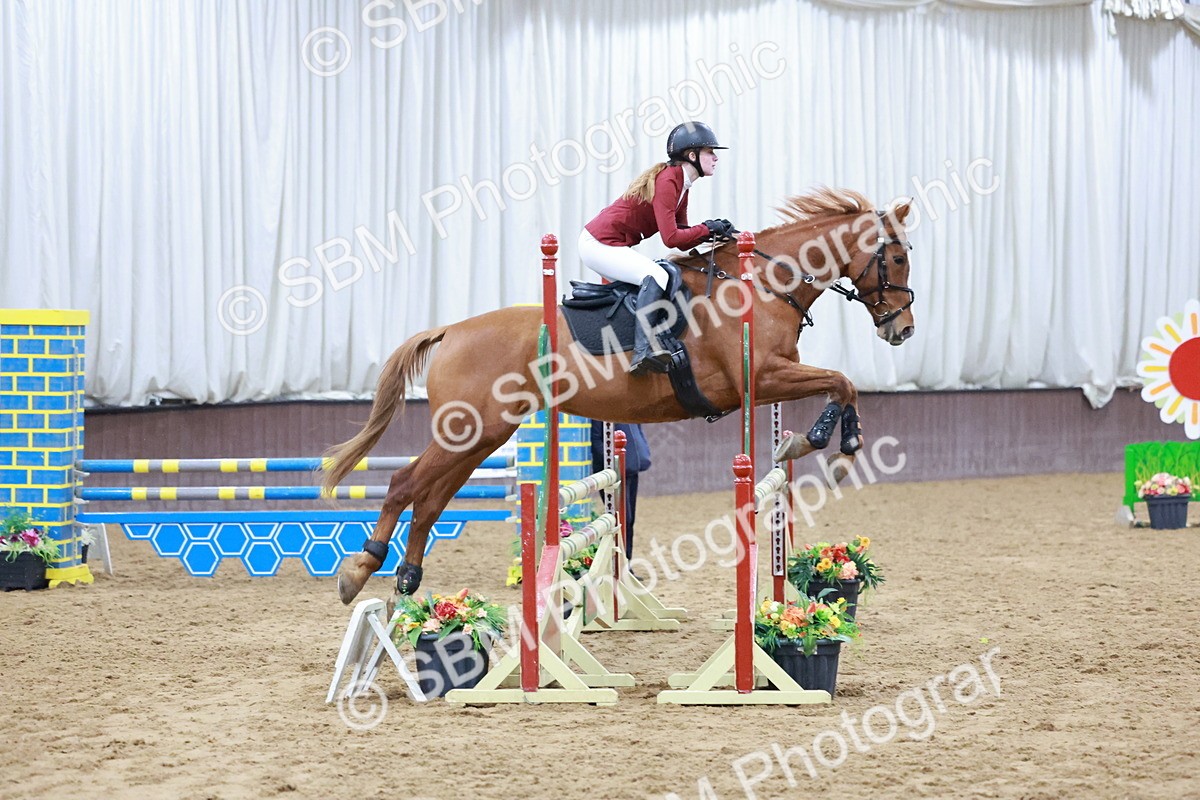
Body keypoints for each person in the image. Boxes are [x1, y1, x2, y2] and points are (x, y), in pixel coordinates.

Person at [579, 121, 734, 374]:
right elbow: (671, 238)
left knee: (666, 273)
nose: (716, 158)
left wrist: (715, 233)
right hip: (598, 244)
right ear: (692, 155)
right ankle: (643, 351)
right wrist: (707, 228)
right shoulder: (668, 180)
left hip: (610, 243)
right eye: (710, 152)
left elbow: (683, 235)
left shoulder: (682, 184)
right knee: (657, 274)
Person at [589, 421, 651, 563]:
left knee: (629, 520)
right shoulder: (601, 413)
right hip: (614, 473)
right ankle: (617, 561)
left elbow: (638, 432)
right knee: (622, 519)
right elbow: (596, 441)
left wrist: (643, 453)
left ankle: (626, 562)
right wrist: (613, 465)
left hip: (631, 468)